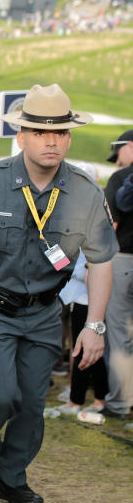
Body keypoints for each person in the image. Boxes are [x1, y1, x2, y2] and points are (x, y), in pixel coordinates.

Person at [0, 84, 117, 503]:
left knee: (32, 404)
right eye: (38, 131)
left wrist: (95, 326)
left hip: (46, 313)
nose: (50, 140)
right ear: (21, 135)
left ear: (69, 137)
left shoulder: (86, 193)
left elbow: (102, 261)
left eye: (60, 132)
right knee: (1, 394)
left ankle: (12, 477)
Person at [102, 129, 133, 420]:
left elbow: (109, 225)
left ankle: (121, 402)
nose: (117, 161)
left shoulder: (122, 179)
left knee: (120, 334)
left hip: (123, 261)